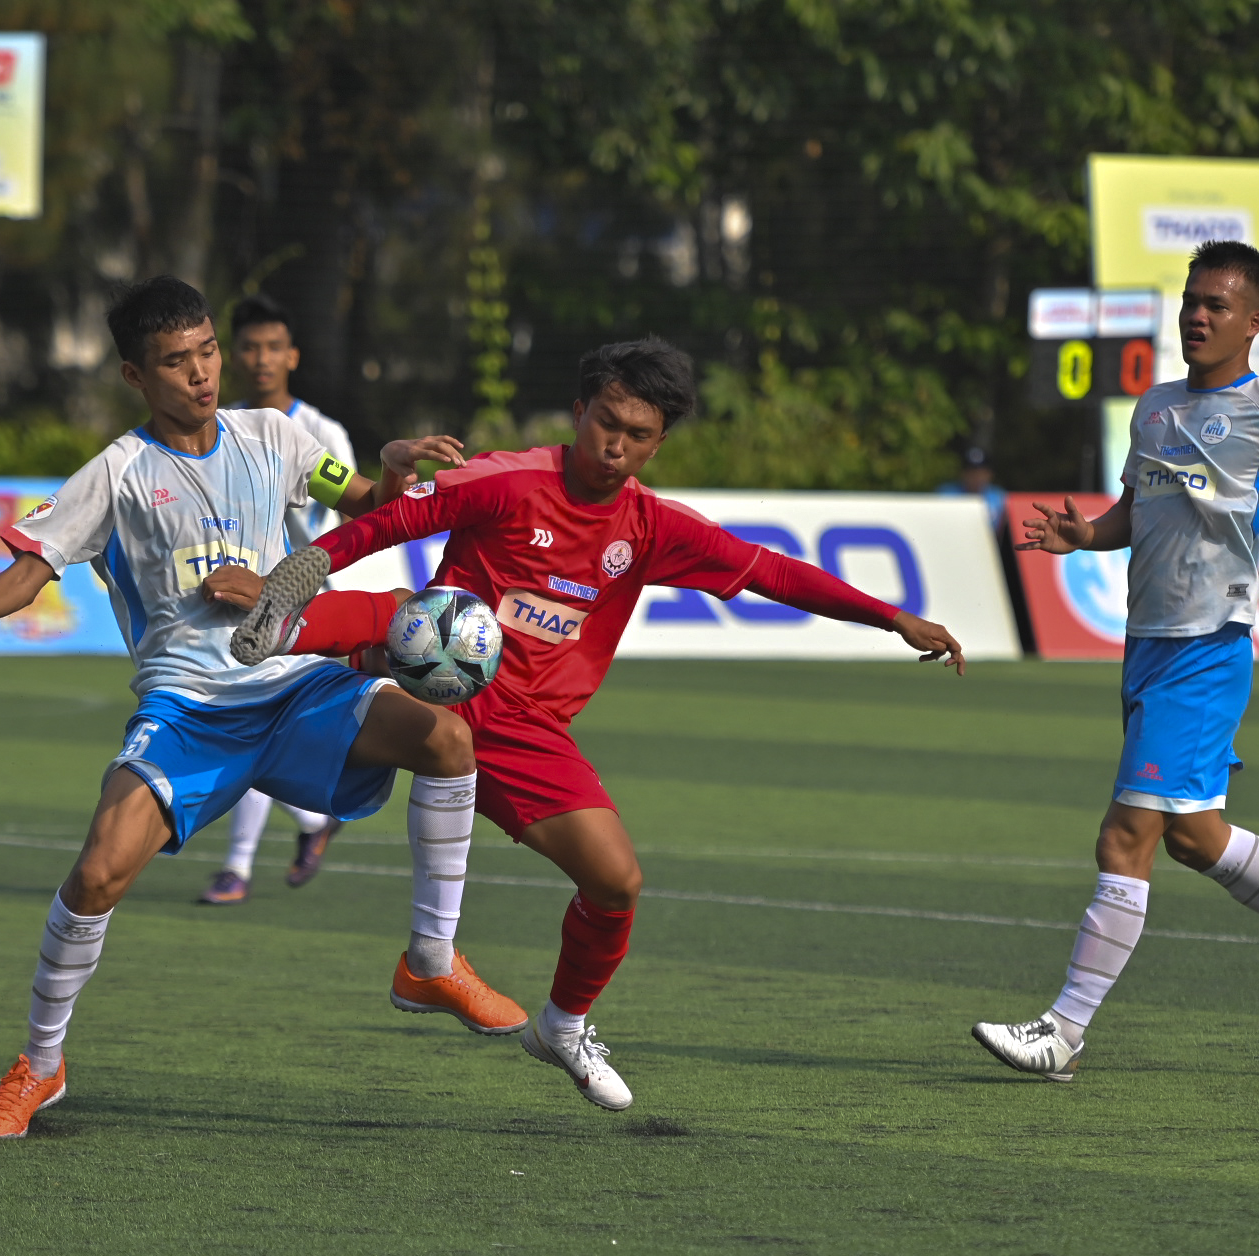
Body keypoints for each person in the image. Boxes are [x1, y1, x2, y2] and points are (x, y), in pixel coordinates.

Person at [226, 336, 967, 1111]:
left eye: (638, 435)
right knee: (412, 624)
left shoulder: (651, 527)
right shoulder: (507, 481)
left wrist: (890, 618)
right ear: (579, 411)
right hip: (440, 679)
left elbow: (771, 571)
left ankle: (562, 1027)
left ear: (660, 441)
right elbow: (384, 526)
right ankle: (293, 632)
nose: (615, 446)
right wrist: (301, 572)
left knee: (617, 883)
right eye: (605, 422)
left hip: (528, 731)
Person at [0, 276, 526, 1140]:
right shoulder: (115, 473)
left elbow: (367, 504)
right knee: (97, 875)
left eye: (207, 352)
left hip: (298, 684)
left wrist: (394, 469)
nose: (201, 374)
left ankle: (432, 960)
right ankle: (39, 1066)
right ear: (133, 375)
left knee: (447, 737)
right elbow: (33, 566)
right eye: (175, 362)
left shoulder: (276, 435)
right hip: (189, 712)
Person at [970, 240, 1259, 1082]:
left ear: (1254, 322)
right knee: (1196, 838)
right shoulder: (1155, 408)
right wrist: (1085, 534)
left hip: (1208, 649)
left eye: (1218, 305)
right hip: (1146, 650)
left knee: (1125, 839)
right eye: (1191, 301)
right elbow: (1139, 508)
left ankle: (1064, 1032)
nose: (1197, 315)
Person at [197, 292, 362, 906]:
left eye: (273, 347)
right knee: (256, 723)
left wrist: (300, 577)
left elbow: (355, 518)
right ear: (233, 355)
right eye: (250, 347)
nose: (262, 358)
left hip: (307, 605)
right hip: (238, 601)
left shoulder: (321, 433)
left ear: (292, 355)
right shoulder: (222, 430)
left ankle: (237, 868)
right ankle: (317, 823)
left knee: (254, 718)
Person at [938, 446, 1007, 531]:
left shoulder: (1000, 498)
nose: (976, 477)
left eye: (981, 472)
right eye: (971, 472)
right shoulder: (945, 495)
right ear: (962, 473)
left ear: (990, 474)